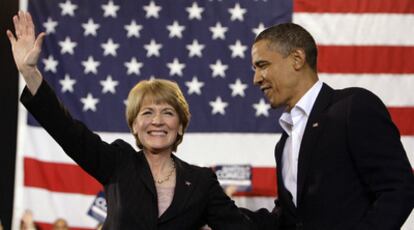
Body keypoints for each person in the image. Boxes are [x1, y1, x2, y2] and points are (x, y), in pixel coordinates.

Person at [7, 11, 255, 230]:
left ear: (180, 125)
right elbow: (66, 130)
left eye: (168, 113)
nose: (157, 120)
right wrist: (30, 72)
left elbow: (241, 224)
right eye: (147, 113)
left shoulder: (201, 182)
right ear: (135, 125)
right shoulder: (118, 162)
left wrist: (290, 212)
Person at [242, 22, 414, 230]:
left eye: (262, 65)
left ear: (297, 59)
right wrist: (215, 209)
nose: (256, 79)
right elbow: (288, 219)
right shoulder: (284, 142)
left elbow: (398, 189)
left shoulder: (353, 107)